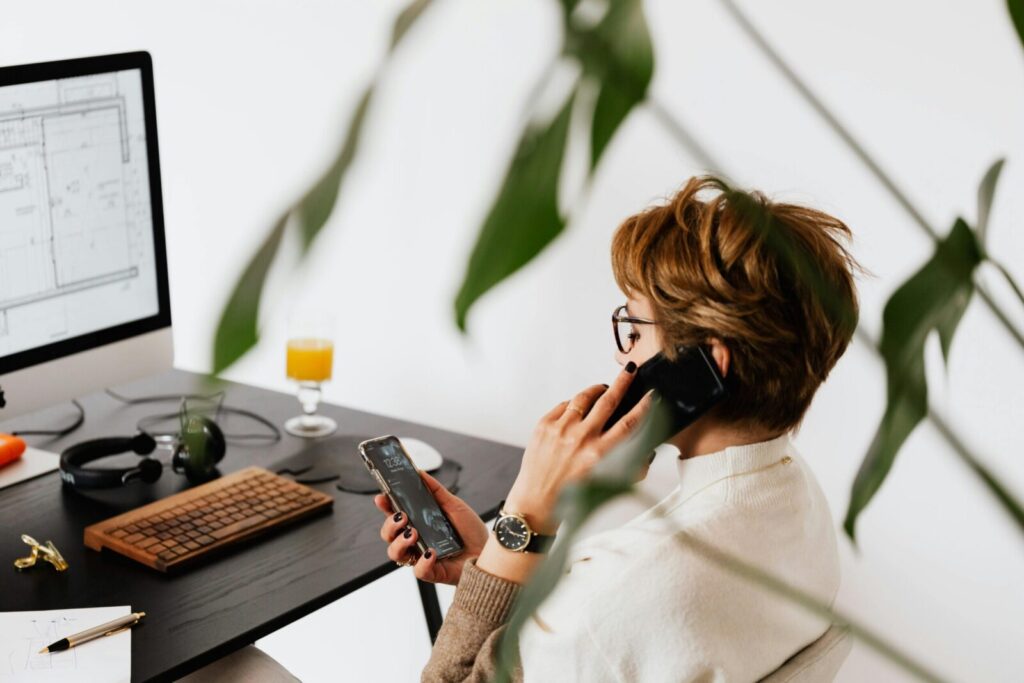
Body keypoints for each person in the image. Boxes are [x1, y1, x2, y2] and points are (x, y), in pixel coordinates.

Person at [376, 175, 860, 681]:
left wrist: (526, 511)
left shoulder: (610, 603)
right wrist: (498, 559)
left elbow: (603, 622)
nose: (621, 352)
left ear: (708, 366)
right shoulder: (796, 499)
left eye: (634, 328)